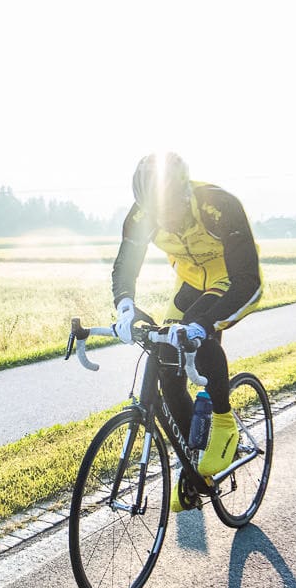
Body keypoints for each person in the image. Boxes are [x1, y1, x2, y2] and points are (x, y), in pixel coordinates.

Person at [111, 152, 263, 509]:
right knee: (167, 363)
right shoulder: (142, 214)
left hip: (231, 280)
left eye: (169, 211)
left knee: (197, 330)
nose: (164, 220)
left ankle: (223, 424)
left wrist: (203, 325)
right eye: (156, 214)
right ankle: (194, 467)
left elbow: (248, 282)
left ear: (183, 192)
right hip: (191, 281)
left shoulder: (217, 206)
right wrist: (125, 305)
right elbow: (125, 266)